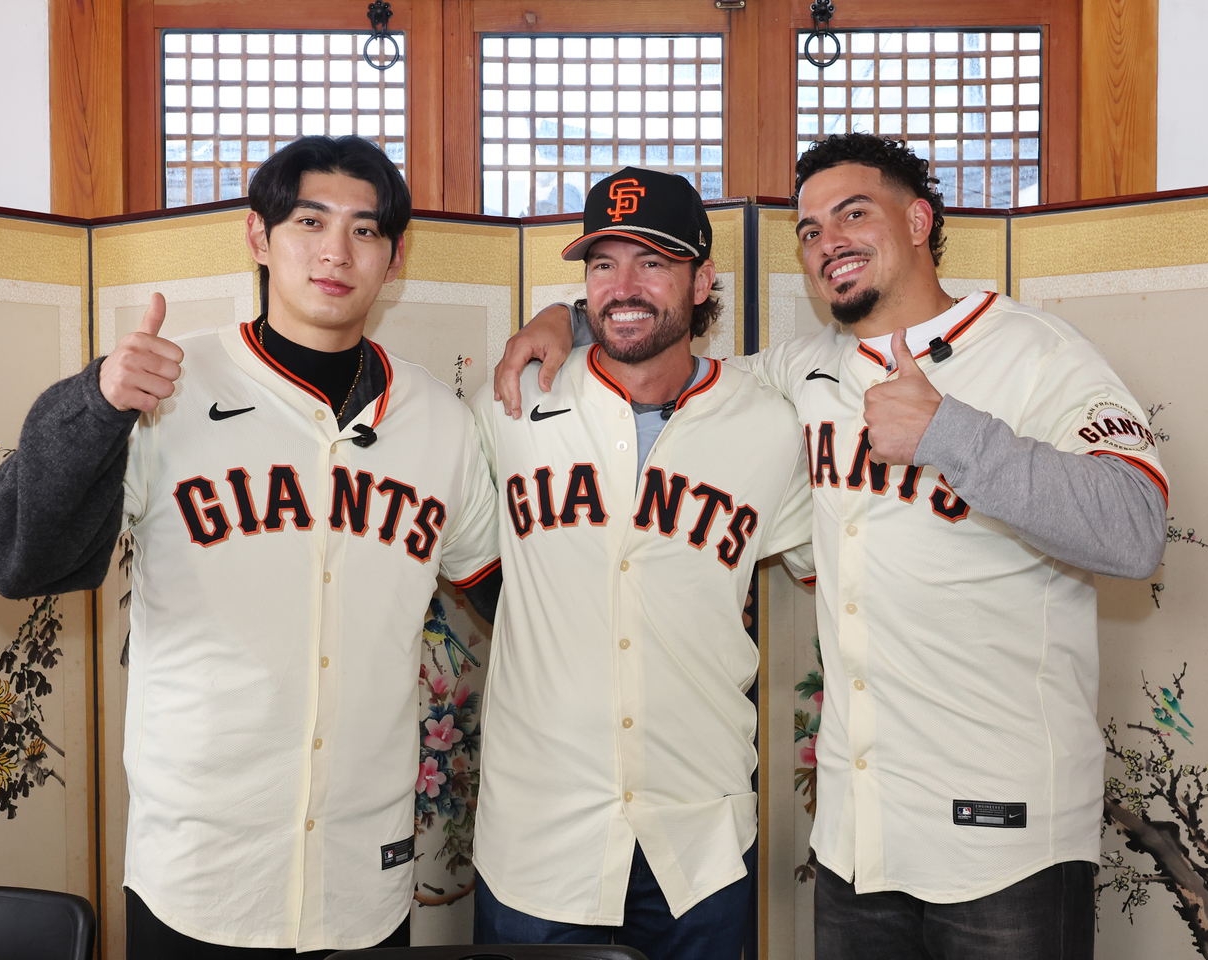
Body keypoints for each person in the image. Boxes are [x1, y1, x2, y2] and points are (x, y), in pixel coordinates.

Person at [493, 133, 1169, 959]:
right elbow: (658, 354)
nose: (829, 240)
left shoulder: (1035, 352)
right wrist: (567, 316)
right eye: (810, 229)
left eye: (854, 213)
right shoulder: (799, 373)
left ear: (920, 219)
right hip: (858, 835)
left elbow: (1135, 529)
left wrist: (951, 432)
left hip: (1006, 832)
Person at [0, 135, 501, 958]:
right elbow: (19, 559)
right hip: (203, 869)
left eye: (366, 230)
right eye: (308, 221)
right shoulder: (163, 387)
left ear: (395, 259)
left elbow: (502, 580)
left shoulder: (439, 419)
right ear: (258, 238)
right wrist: (96, 405)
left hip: (362, 873)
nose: (335, 250)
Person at [469, 166, 813, 960]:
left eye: (652, 261)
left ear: (703, 279)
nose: (623, 286)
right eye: (601, 264)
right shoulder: (513, 405)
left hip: (697, 839)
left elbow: (845, 569)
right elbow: (463, 556)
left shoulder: (767, 424)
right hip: (541, 835)